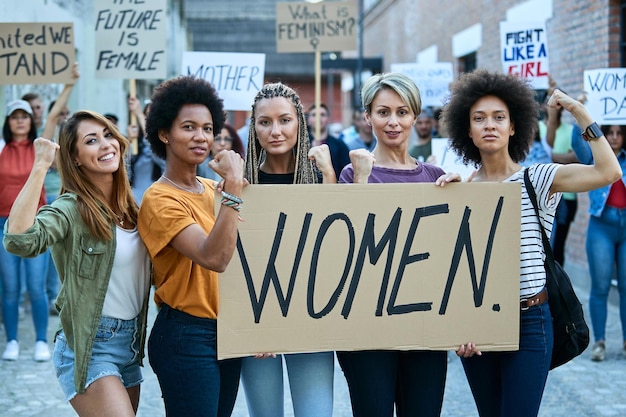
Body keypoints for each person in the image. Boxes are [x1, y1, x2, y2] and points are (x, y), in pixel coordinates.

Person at [444, 69, 621, 417]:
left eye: (499, 117)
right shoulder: (459, 188)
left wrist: (577, 111)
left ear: (514, 127)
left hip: (530, 321)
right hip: (478, 321)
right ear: (468, 130)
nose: (489, 125)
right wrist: (460, 324)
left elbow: (608, 171)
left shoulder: (537, 178)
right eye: (479, 119)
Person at [3, 110, 151, 416]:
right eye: (92, 141)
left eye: (108, 134)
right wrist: (40, 166)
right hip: (89, 345)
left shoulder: (132, 208)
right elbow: (18, 241)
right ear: (76, 158)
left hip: (131, 345)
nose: (106, 144)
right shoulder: (71, 208)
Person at [336, 72, 460, 417]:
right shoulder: (352, 174)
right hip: (367, 329)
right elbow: (350, 251)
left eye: (402, 112)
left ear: (415, 117)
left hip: (424, 326)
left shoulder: (436, 178)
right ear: (368, 117)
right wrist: (360, 179)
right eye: (383, 112)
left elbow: (451, 259)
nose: (393, 122)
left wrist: (464, 196)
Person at [137, 75, 246, 417]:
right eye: (188, 127)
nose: (201, 137)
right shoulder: (159, 198)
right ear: (164, 133)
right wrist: (233, 190)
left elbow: (242, 258)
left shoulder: (211, 190)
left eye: (207, 128)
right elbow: (213, 257)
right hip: (186, 334)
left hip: (226, 330)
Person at [241, 81, 336, 417]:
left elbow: (337, 249)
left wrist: (329, 178)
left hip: (310, 320)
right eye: (264, 122)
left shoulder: (320, 177)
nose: (275, 131)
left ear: (300, 123)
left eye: (285, 120)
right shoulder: (241, 184)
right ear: (254, 127)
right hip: (256, 323)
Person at [0, 99, 50, 362]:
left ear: (32, 121)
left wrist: (67, 87)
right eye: (14, 116)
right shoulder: (0, 148)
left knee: (35, 286)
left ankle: (41, 340)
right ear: (7, 122)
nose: (19, 120)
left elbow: (52, 118)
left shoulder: (40, 148)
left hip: (35, 225)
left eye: (24, 116)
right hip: (3, 225)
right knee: (10, 288)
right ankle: (12, 341)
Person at [572, 123, 626, 362]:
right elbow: (577, 144)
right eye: (610, 133)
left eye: (619, 133)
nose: (614, 138)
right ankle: (600, 342)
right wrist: (578, 112)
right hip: (601, 227)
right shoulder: (594, 157)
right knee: (601, 286)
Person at [127, 96, 163, 204]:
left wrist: (139, 114)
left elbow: (157, 150)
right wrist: (128, 141)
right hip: (134, 206)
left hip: (156, 206)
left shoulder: (169, 147)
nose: (147, 121)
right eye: (146, 117)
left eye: (151, 117)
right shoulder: (137, 145)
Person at [307, 103, 351, 179]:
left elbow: (346, 172)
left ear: (328, 119)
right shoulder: (300, 145)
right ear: (308, 120)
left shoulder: (339, 145)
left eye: (322, 115)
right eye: (314, 115)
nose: (318, 118)